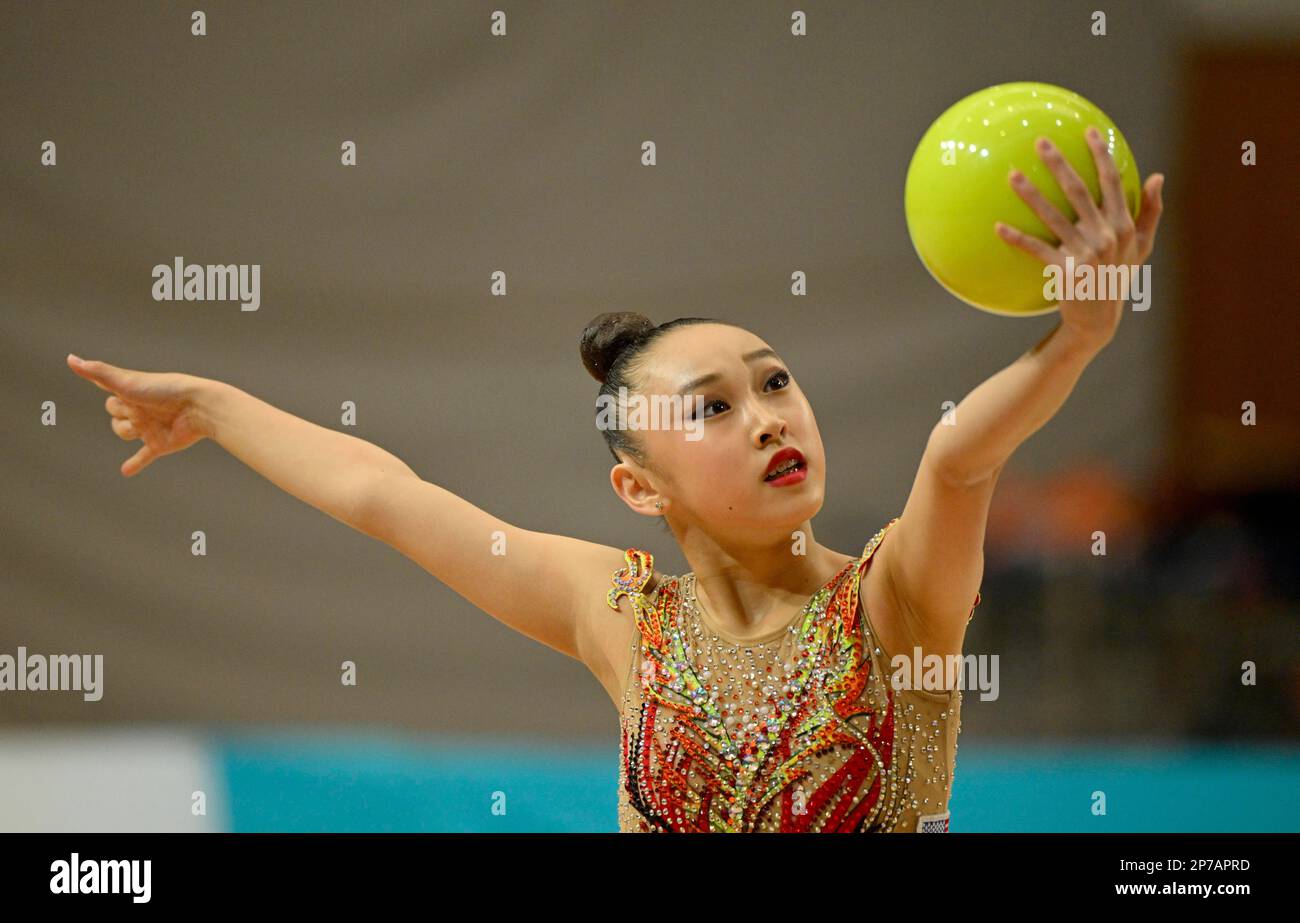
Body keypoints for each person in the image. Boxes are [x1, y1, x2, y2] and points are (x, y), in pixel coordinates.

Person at [67, 129, 1163, 831]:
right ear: (641, 489)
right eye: (715, 408)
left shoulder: (895, 599)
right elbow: (381, 493)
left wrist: (1070, 341)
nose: (771, 415)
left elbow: (958, 458)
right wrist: (212, 406)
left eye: (776, 381)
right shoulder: (622, 618)